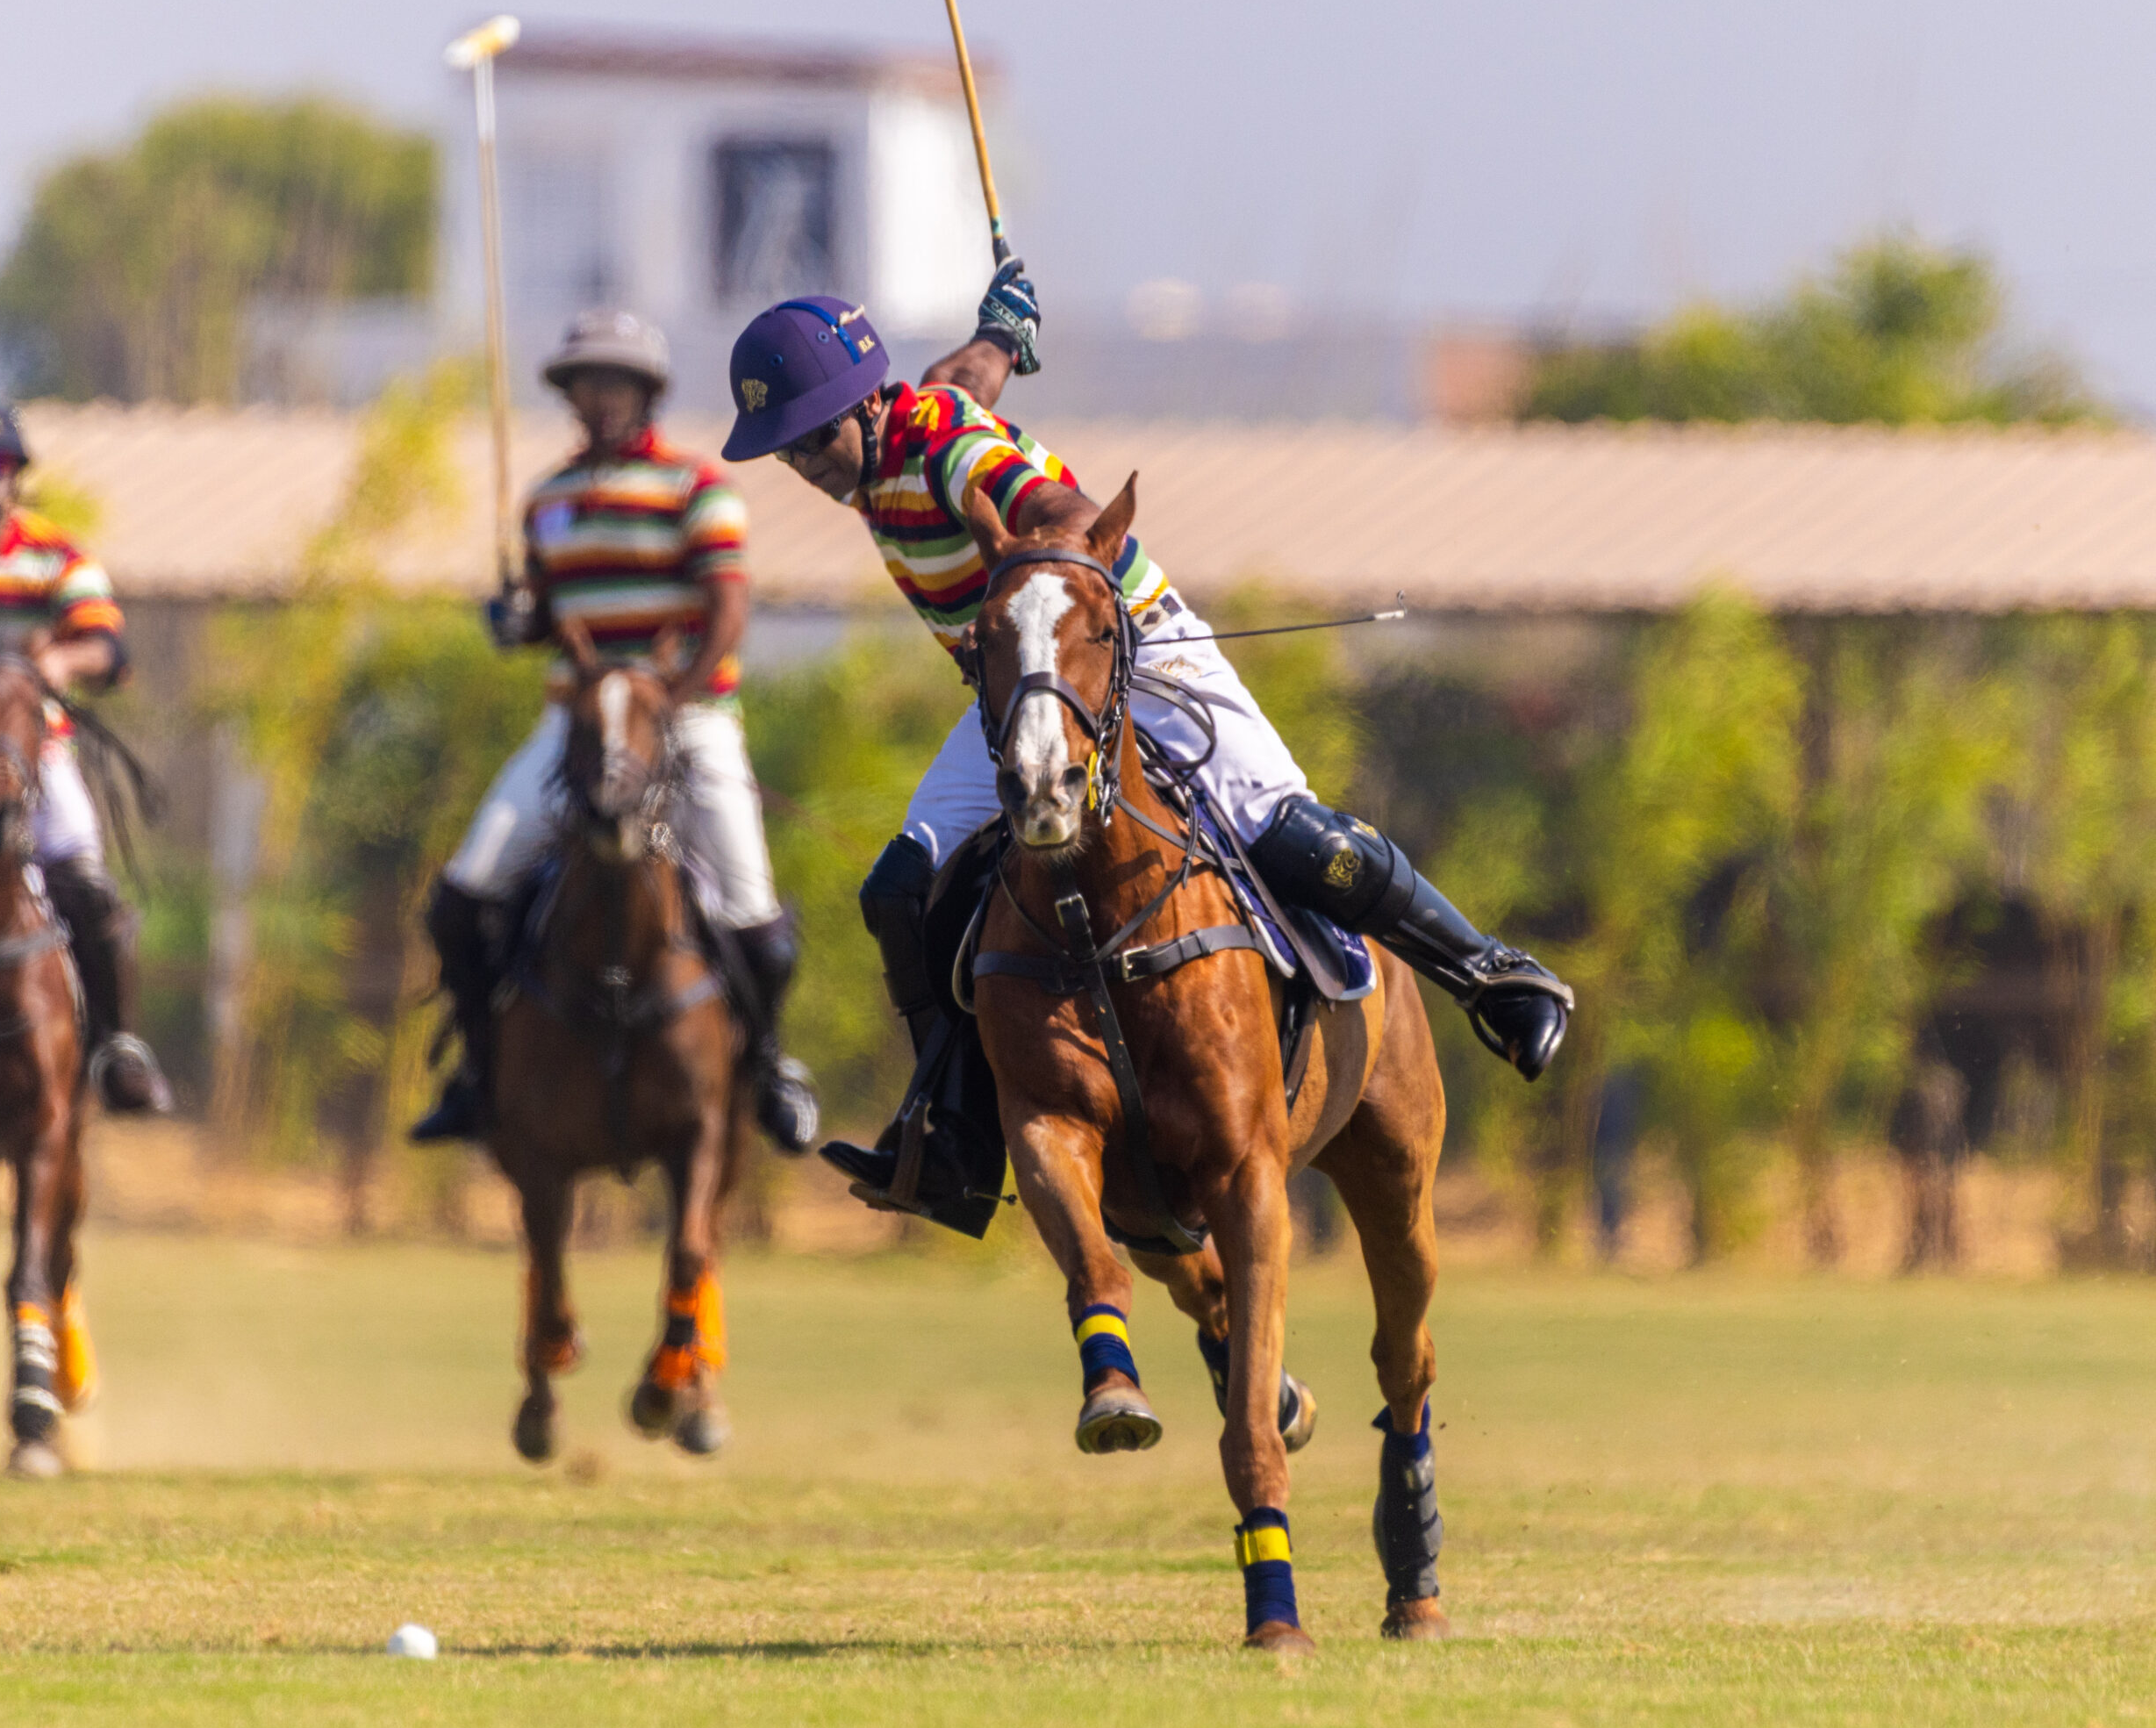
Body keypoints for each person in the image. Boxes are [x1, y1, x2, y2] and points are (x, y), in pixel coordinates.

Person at [720, 273, 1572, 1227]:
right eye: (788, 450)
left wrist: (1047, 553)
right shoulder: (914, 417)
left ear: (868, 406)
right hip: (1016, 687)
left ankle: (1493, 974)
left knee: (1287, 833)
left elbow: (1062, 507)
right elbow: (969, 370)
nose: (807, 463)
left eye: (815, 436)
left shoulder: (947, 451)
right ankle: (949, 1134)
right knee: (897, 888)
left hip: (1129, 646)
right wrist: (1002, 327)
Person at [411, 309, 819, 1155]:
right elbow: (543, 620)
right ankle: (479, 1074)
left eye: (614, 384)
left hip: (689, 720)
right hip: (575, 726)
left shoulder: (696, 489)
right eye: (584, 384)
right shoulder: (547, 501)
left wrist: (672, 697)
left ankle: (771, 1065)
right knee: (463, 895)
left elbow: (726, 611)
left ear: (645, 394)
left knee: (754, 913)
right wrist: (515, 619)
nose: (597, 398)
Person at [0, 404, 171, 1115]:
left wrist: (61, 656)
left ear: (15, 478)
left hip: (34, 753)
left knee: (85, 875)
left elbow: (108, 647)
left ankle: (117, 1045)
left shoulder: (58, 558)